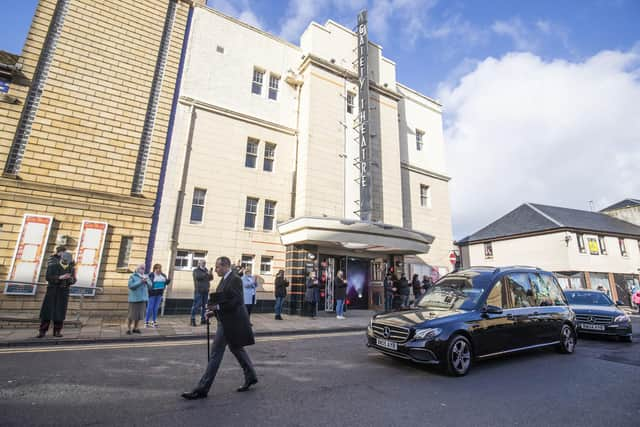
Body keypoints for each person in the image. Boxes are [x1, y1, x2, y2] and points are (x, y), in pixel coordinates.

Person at [181, 256, 257, 400]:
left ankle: (202, 389)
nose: (215, 270)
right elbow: (224, 300)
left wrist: (217, 307)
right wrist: (213, 311)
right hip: (226, 320)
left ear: (226, 266)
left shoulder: (234, 279)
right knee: (236, 349)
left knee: (215, 354)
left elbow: (237, 301)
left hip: (231, 323)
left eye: (217, 267)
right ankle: (251, 376)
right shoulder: (224, 280)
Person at [37, 251, 75, 338]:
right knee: (47, 312)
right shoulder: (53, 266)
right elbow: (48, 277)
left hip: (63, 292)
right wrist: (60, 277)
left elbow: (74, 280)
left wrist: (70, 279)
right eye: (65, 260)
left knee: (59, 313)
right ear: (62, 259)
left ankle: (57, 331)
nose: (66, 262)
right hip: (52, 291)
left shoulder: (71, 269)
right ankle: (42, 331)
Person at [127, 264, 151, 335]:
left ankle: (135, 328)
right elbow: (131, 286)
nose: (142, 270)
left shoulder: (146, 276)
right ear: (137, 269)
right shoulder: (133, 276)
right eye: (141, 268)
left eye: (143, 268)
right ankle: (129, 329)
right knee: (131, 315)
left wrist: (146, 282)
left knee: (139, 315)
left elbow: (150, 286)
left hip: (143, 299)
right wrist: (140, 282)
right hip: (134, 299)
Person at [191, 260, 213, 326]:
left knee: (204, 306)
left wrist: (210, 274)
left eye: (204, 262)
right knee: (196, 305)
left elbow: (210, 279)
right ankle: (192, 319)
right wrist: (206, 274)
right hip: (199, 290)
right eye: (202, 262)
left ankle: (203, 319)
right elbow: (198, 277)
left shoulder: (206, 270)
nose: (204, 263)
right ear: (199, 263)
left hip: (206, 290)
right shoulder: (196, 270)